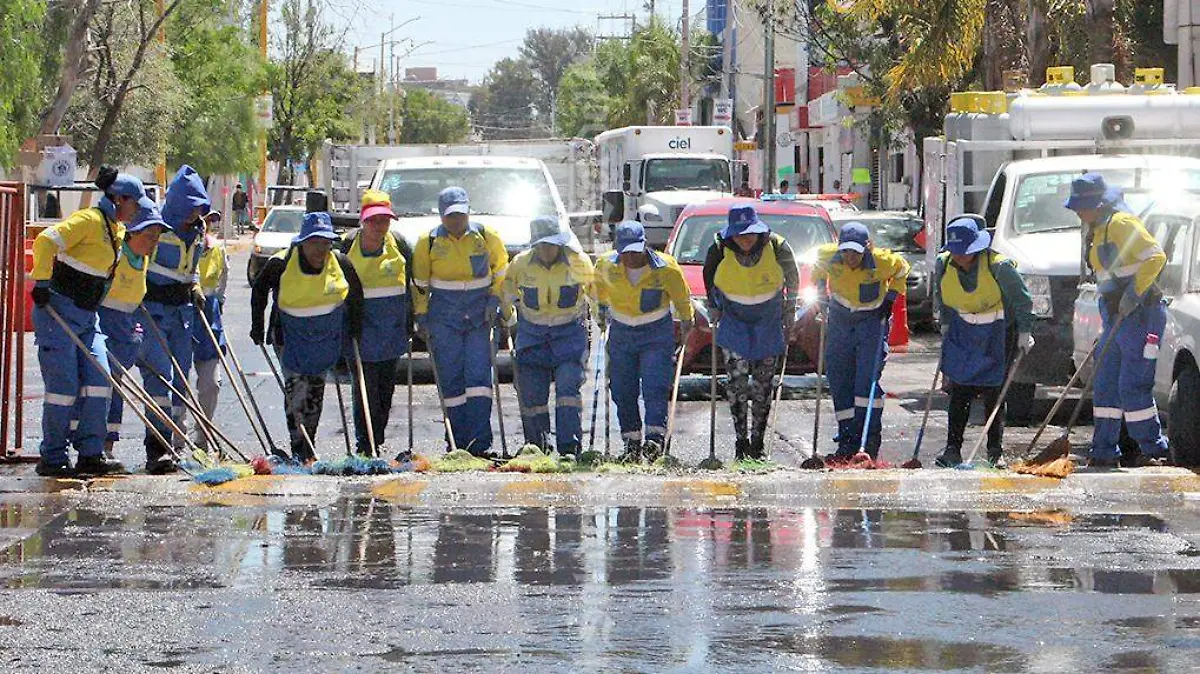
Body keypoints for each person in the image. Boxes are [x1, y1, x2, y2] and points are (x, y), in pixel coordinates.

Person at [29, 166, 153, 477]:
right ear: (119, 199)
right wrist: (42, 281)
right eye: (135, 203)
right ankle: (53, 456)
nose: (136, 210)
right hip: (58, 312)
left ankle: (90, 453)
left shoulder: (116, 230)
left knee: (100, 380)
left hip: (87, 316)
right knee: (64, 387)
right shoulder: (88, 221)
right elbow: (45, 241)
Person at [1066, 173, 1169, 467]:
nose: (1077, 213)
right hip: (1115, 315)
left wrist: (1135, 293)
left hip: (1142, 314)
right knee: (1106, 381)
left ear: (1097, 205)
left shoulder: (1122, 224)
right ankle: (1103, 451)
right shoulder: (1097, 229)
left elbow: (1155, 257)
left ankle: (1155, 449)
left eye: (1080, 207)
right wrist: (1109, 314)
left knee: (1132, 385)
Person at [250, 212, 365, 463]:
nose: (320, 250)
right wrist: (257, 326)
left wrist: (354, 329)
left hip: (324, 339)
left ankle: (307, 444)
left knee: (314, 392)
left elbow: (356, 296)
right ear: (302, 242)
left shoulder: (341, 263)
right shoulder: (280, 264)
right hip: (288, 338)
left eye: (325, 243)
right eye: (314, 243)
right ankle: (299, 446)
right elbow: (259, 290)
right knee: (297, 391)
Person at [931, 215, 1035, 468]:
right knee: (959, 389)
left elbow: (1023, 301)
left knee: (994, 392)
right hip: (962, 332)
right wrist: (945, 323)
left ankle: (994, 452)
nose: (958, 256)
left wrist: (1024, 331)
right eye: (954, 251)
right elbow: (941, 296)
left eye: (963, 252)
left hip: (998, 333)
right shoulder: (944, 264)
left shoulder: (1000, 267)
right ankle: (952, 449)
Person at [412, 187, 508, 456]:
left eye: (461, 215)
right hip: (444, 318)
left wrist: (495, 300)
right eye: (450, 216)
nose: (456, 221)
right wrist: (421, 316)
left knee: (478, 380)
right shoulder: (427, 242)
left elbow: (502, 272)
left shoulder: (487, 236)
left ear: (468, 211)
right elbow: (419, 283)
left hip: (479, 316)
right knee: (451, 380)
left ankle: (480, 443)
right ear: (441, 216)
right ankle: (456, 441)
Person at [702, 205, 800, 460]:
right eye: (739, 234)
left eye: (750, 233)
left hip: (768, 320)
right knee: (737, 383)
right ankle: (741, 441)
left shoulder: (777, 246)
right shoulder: (719, 247)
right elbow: (708, 276)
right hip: (734, 320)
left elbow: (793, 277)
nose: (745, 239)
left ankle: (757, 442)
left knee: (762, 385)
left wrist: (790, 310)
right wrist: (713, 306)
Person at [594, 221, 694, 462]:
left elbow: (682, 298)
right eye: (624, 251)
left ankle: (654, 442)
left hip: (655, 333)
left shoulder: (666, 268)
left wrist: (686, 321)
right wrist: (599, 314)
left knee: (654, 386)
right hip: (621, 333)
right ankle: (631, 443)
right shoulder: (605, 265)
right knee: (621, 389)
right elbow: (598, 293)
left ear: (644, 245)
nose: (630, 257)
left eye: (634, 251)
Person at [813, 221, 910, 460]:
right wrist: (819, 291)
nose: (850, 256)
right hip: (840, 321)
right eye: (845, 250)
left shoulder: (883, 261)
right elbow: (816, 268)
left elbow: (902, 270)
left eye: (856, 251)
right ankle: (847, 439)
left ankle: (868, 440)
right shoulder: (828, 256)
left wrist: (890, 298)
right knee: (838, 377)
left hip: (871, 322)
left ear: (867, 247)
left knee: (866, 381)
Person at [502, 216, 595, 456]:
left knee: (567, 390)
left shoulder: (578, 262)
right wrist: (505, 316)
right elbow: (507, 292)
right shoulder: (520, 264)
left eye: (552, 244)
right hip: (532, 336)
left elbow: (596, 293)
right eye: (542, 245)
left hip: (569, 336)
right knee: (532, 396)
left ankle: (569, 449)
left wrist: (603, 316)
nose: (547, 250)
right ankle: (537, 447)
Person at [140, 165, 210, 474]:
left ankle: (176, 445)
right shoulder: (154, 226)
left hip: (183, 313)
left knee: (182, 380)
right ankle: (156, 447)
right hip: (154, 310)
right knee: (159, 379)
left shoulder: (198, 231)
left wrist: (194, 285)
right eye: (191, 206)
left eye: (199, 208)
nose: (195, 214)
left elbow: (190, 267)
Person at [338, 189, 412, 458]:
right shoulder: (346, 247)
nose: (380, 226)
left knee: (385, 389)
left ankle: (377, 436)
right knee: (364, 388)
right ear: (363, 220)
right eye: (374, 220)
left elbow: (413, 285)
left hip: (391, 329)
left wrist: (411, 321)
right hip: (361, 330)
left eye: (384, 220)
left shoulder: (400, 245)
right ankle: (366, 443)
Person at [98, 202, 168, 461]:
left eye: (157, 236)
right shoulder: (115, 254)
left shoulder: (145, 258)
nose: (154, 241)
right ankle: (102, 447)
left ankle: (158, 446)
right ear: (132, 233)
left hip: (130, 324)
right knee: (107, 385)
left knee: (129, 380)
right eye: (149, 235)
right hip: (105, 322)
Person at [189, 212, 229, 453]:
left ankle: (203, 440)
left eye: (208, 221)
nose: (203, 226)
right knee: (178, 385)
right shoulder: (178, 244)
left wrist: (218, 303)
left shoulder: (217, 249)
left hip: (209, 316)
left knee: (211, 384)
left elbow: (223, 277)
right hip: (182, 314)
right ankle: (175, 443)